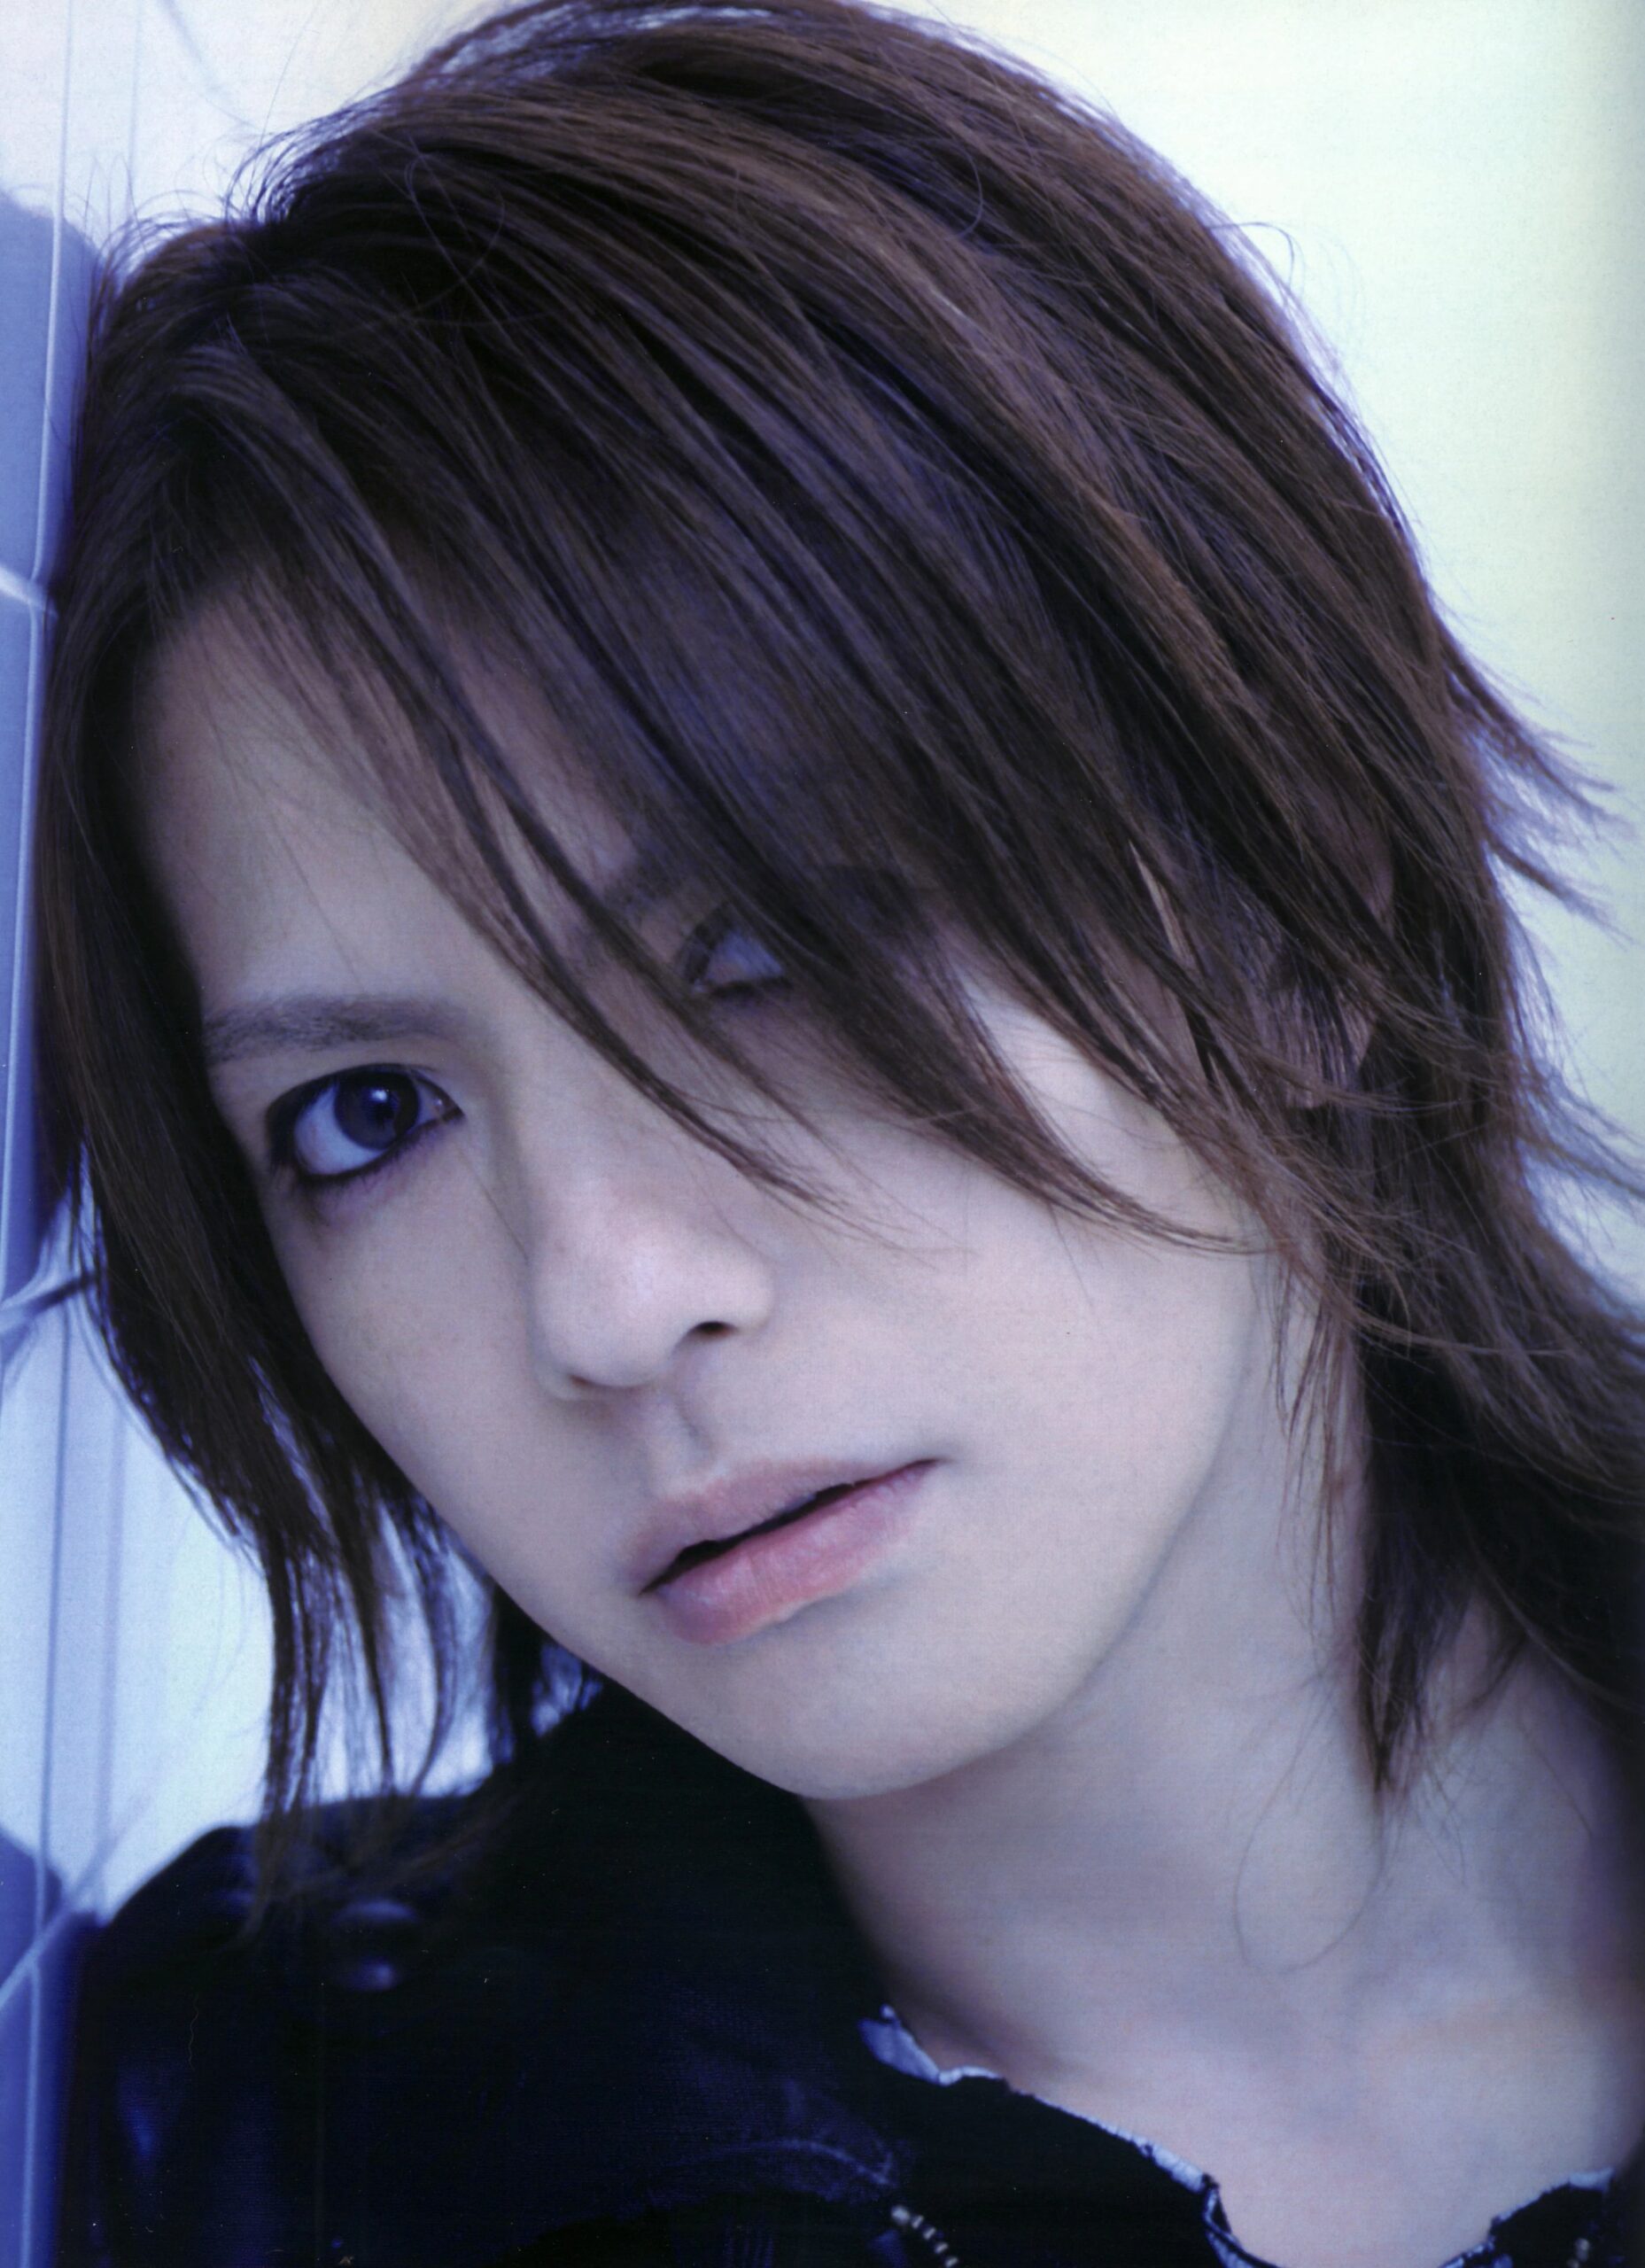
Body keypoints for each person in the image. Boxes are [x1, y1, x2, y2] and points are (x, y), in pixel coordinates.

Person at [37, 2, 1643, 2262]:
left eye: (762, 948)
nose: (607, 1302)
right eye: (369, 1113)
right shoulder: (247, 2165)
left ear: (1302, 898)